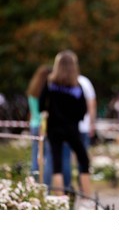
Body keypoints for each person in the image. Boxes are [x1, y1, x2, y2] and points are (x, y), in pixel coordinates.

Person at [39, 50, 93, 209]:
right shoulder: (77, 86)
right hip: (72, 129)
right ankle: (87, 198)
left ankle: (60, 199)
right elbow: (83, 109)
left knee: (57, 162)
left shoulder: (50, 84)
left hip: (54, 128)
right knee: (83, 159)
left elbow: (42, 105)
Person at [26, 64, 52, 182]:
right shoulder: (46, 92)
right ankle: (44, 180)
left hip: (34, 125)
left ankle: (34, 179)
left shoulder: (32, 91)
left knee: (35, 154)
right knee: (46, 156)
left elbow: (33, 111)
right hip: (44, 125)